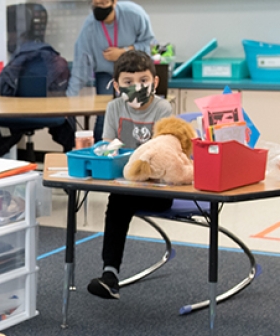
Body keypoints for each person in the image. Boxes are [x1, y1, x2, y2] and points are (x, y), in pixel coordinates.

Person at [87, 50, 173, 300]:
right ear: (116, 86)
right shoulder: (114, 107)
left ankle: (110, 275)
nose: (137, 87)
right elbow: (107, 146)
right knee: (119, 199)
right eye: (128, 82)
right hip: (125, 184)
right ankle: (109, 274)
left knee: (118, 202)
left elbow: (161, 153)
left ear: (154, 83)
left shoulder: (163, 108)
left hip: (157, 189)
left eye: (143, 81)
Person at [66, 0, 155, 143]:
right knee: (105, 116)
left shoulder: (134, 14)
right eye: (96, 4)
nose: (100, 7)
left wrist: (124, 52)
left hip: (133, 74)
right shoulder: (89, 27)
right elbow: (80, 65)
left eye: (103, 3)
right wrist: (69, 99)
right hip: (105, 74)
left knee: (134, 114)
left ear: (114, 2)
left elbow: (148, 44)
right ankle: (100, 154)